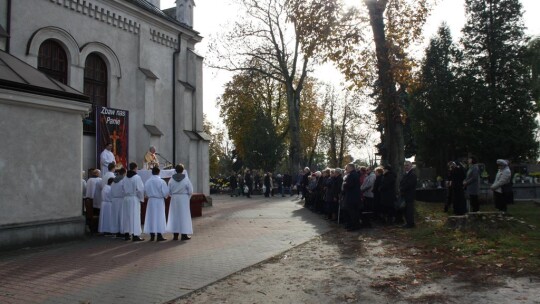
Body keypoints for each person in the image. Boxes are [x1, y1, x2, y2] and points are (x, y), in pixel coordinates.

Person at [167, 164, 194, 241]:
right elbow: (190, 190)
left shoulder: (171, 179)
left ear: (175, 170)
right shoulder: (186, 179)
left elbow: (168, 191)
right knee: (184, 216)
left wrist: (173, 195)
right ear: (183, 170)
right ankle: (184, 234)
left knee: (174, 216)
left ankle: (175, 235)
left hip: (174, 199)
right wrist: (187, 197)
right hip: (183, 198)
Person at [144, 167, 169, 242]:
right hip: (159, 201)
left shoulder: (148, 181)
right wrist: (165, 196)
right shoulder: (161, 181)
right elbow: (165, 192)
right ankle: (159, 235)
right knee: (159, 217)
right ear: (159, 172)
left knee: (151, 217)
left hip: (151, 201)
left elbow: (145, 192)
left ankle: (152, 235)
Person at [122, 162, 145, 242]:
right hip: (133, 198)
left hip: (126, 199)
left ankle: (126, 234)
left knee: (126, 217)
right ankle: (135, 235)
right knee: (135, 217)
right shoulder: (137, 177)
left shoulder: (125, 177)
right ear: (135, 168)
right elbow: (140, 189)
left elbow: (122, 188)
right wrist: (141, 198)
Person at [342, 163, 361, 231]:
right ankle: (354, 225)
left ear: (351, 168)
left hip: (352, 197)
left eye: (347, 168)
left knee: (352, 212)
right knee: (353, 212)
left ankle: (354, 226)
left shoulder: (352, 175)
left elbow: (350, 185)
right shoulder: (355, 174)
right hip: (354, 196)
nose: (346, 169)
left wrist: (344, 184)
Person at [400, 161, 417, 228]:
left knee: (409, 210)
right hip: (405, 194)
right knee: (405, 209)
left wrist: (402, 188)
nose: (406, 167)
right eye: (405, 165)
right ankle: (408, 222)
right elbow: (402, 182)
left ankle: (410, 223)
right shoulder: (405, 174)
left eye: (407, 165)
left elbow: (410, 185)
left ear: (411, 166)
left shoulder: (412, 174)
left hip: (409, 195)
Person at [110, 167, 126, 238]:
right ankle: (122, 231)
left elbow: (110, 191)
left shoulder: (113, 181)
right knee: (121, 216)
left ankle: (115, 231)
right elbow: (124, 190)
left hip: (114, 200)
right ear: (125, 173)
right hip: (121, 199)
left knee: (115, 216)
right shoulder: (123, 180)